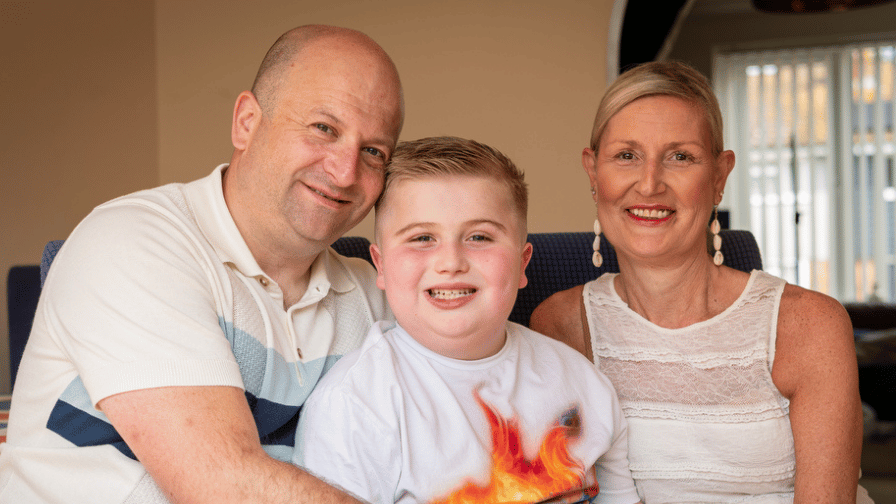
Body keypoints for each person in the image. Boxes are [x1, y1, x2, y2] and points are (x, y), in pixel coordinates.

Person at [0, 25, 403, 504]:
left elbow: (493, 371)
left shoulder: (378, 296)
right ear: (247, 122)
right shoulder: (134, 240)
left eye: (374, 151)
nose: (345, 171)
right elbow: (224, 487)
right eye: (324, 128)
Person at [530, 61, 873, 503]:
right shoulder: (559, 326)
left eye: (680, 157)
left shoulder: (810, 325)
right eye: (627, 156)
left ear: (718, 177)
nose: (649, 184)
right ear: (594, 174)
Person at [294, 136, 641, 504]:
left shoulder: (583, 383)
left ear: (523, 263)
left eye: (479, 236)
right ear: (381, 265)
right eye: (423, 237)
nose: (451, 261)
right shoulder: (355, 405)